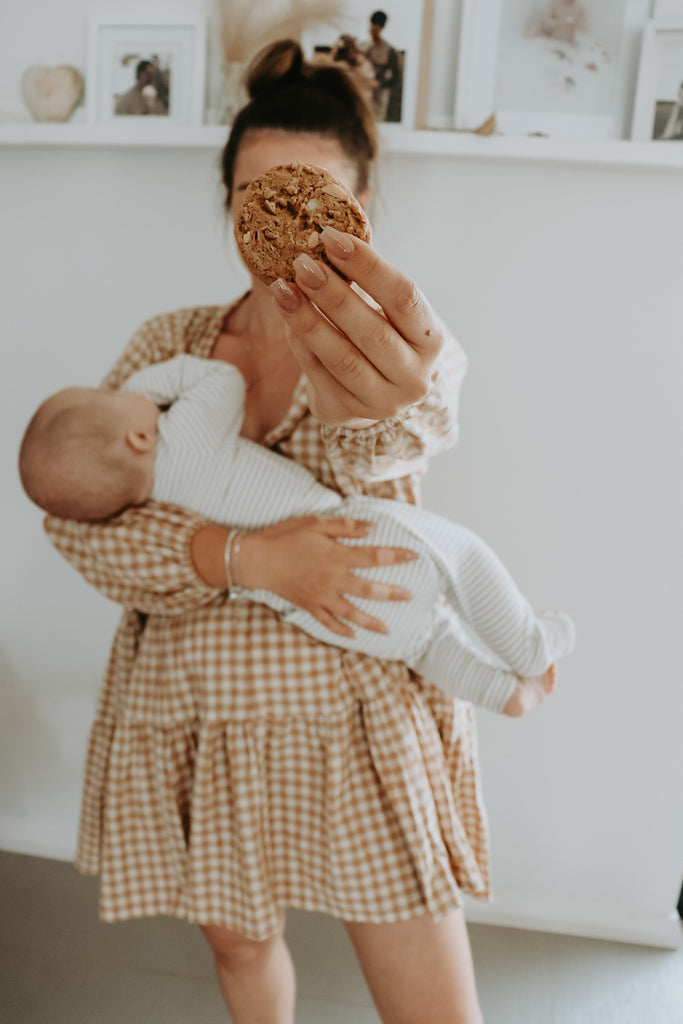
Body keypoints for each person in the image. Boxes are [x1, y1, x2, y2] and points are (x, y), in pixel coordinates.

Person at [40, 38, 529, 1024]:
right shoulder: (166, 347)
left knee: (430, 1002)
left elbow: (403, 431)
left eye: (316, 195)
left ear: (357, 211)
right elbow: (82, 525)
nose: (282, 221)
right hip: (194, 724)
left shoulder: (380, 357)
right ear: (229, 202)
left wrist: (388, 403)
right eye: (257, 196)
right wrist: (246, 555)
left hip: (355, 729)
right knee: (241, 956)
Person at [20, 352, 575, 716]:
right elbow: (221, 378)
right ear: (139, 437)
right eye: (113, 396)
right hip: (350, 534)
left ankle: (503, 693)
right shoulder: (182, 435)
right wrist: (144, 388)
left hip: (317, 612)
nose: (123, 389)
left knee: (423, 641)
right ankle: (529, 646)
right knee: (464, 559)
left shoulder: (150, 502)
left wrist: (122, 409)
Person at [361, 10, 401, 122]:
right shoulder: (362, 47)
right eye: (372, 27)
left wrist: (379, 84)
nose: (373, 31)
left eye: (376, 28)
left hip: (379, 96)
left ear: (381, 28)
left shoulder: (389, 51)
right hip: (363, 92)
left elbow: (395, 77)